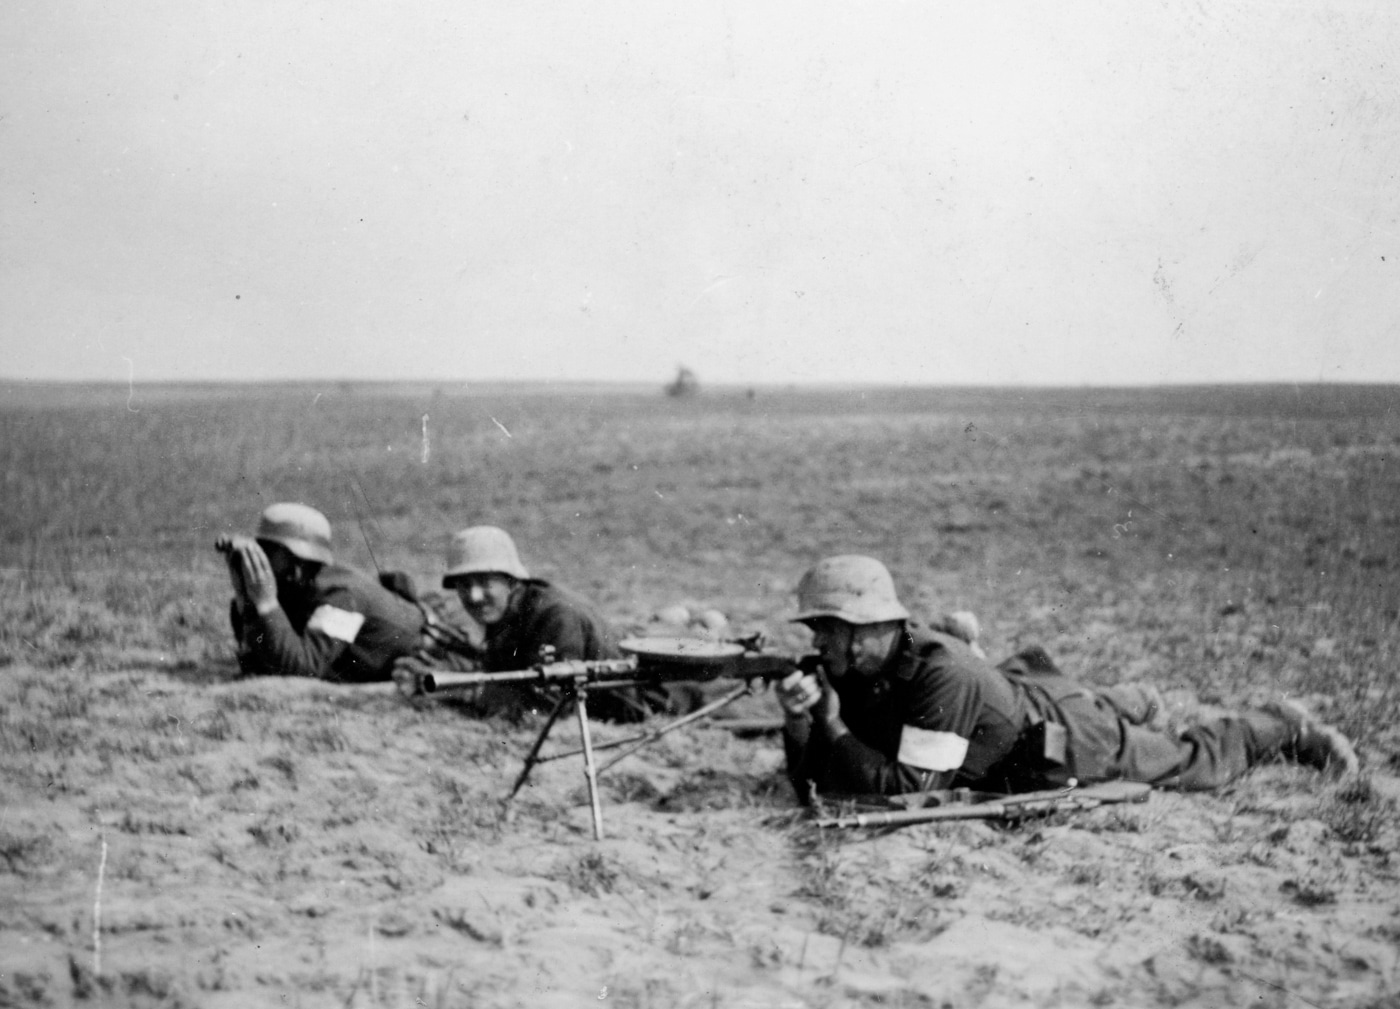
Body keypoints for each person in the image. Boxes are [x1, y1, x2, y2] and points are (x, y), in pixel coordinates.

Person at [775, 555, 1359, 802]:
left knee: (1191, 761)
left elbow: (911, 792)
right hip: (1014, 706)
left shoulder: (939, 673)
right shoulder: (867, 662)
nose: (817, 644)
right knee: (1057, 704)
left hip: (1065, 742)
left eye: (826, 629)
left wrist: (831, 725)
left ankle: (1282, 727)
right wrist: (798, 719)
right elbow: (813, 779)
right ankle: (1124, 701)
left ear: (866, 628)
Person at [427, 526, 653, 722]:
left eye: (486, 583)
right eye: (464, 585)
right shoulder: (507, 610)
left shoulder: (556, 616)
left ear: (511, 581)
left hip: (645, 703)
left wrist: (462, 691)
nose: (474, 596)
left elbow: (550, 708)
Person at [219, 502, 426, 682]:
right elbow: (259, 660)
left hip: (429, 647)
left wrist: (266, 605)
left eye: (270, 553)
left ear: (298, 563)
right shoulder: (297, 586)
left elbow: (302, 669)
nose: (260, 560)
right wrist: (244, 598)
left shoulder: (343, 596)